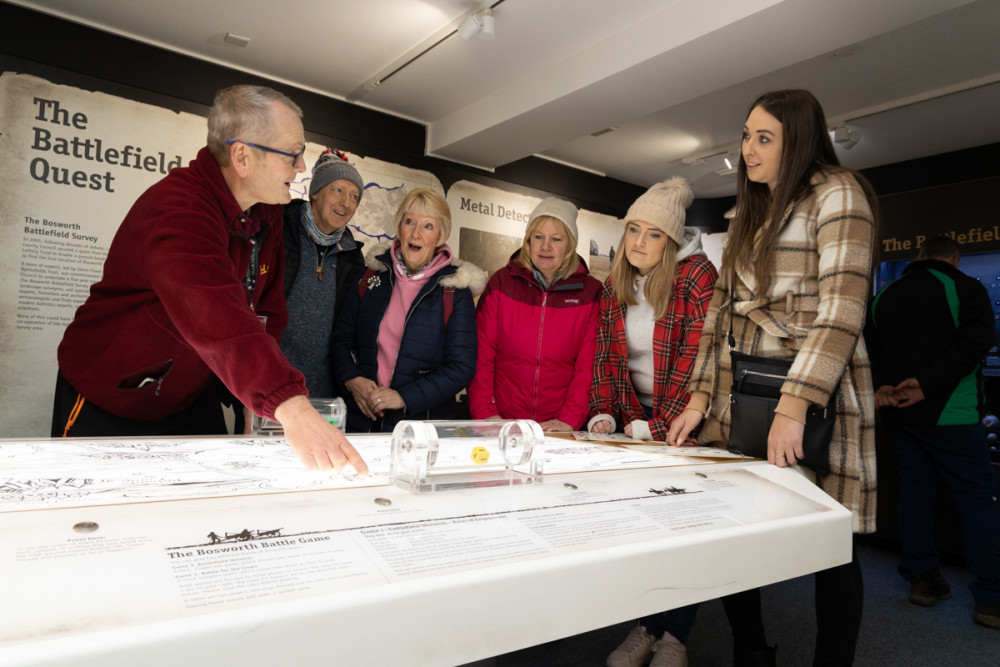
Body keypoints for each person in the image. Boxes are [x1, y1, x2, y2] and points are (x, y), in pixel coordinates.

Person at [51, 84, 367, 475]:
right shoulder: (178, 209)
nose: (301, 167)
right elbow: (216, 316)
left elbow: (266, 312)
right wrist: (290, 405)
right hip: (112, 393)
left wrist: (257, 404)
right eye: (294, 154)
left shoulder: (265, 215)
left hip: (188, 394)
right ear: (242, 156)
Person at [667, 89, 878, 666]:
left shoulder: (839, 195)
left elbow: (843, 310)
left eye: (764, 138)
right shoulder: (747, 214)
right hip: (742, 393)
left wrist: (795, 405)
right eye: (745, 136)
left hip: (815, 392)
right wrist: (700, 399)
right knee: (738, 532)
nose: (748, 150)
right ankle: (751, 651)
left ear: (799, 141)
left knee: (832, 545)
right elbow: (717, 316)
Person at [589, 177, 718, 667]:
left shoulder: (695, 278)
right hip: (634, 424)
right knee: (642, 531)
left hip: (683, 426)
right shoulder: (614, 284)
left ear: (672, 240)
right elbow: (606, 357)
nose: (639, 243)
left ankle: (675, 638)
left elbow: (694, 359)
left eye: (653, 234)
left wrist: (659, 428)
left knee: (682, 531)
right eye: (633, 230)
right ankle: (645, 626)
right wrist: (604, 411)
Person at [865, 234, 1000, 629]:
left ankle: (923, 581)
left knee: (915, 495)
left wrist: (884, 386)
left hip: (901, 416)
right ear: (954, 259)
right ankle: (991, 600)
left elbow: (869, 349)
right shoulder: (966, 288)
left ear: (918, 258)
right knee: (978, 501)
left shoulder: (886, 294)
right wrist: (926, 384)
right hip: (954, 416)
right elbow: (976, 345)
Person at [331, 188, 484, 432]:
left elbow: (461, 367)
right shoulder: (371, 274)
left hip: (420, 429)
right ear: (400, 225)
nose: (416, 233)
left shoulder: (455, 291)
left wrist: (404, 398)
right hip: (361, 421)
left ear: (440, 235)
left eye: (428, 226)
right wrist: (353, 380)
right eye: (409, 221)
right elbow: (341, 339)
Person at [468, 197, 601, 431]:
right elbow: (481, 353)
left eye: (556, 239)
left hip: (557, 427)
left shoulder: (591, 293)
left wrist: (569, 420)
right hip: (500, 423)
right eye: (538, 237)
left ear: (570, 245)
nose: (545, 246)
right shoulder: (501, 282)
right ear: (529, 240)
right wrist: (486, 413)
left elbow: (587, 367)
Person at [281, 149, 366, 398]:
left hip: (324, 392)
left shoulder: (353, 256)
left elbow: (347, 329)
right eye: (337, 190)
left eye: (354, 196)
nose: (346, 203)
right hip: (270, 382)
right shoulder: (279, 229)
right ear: (316, 192)